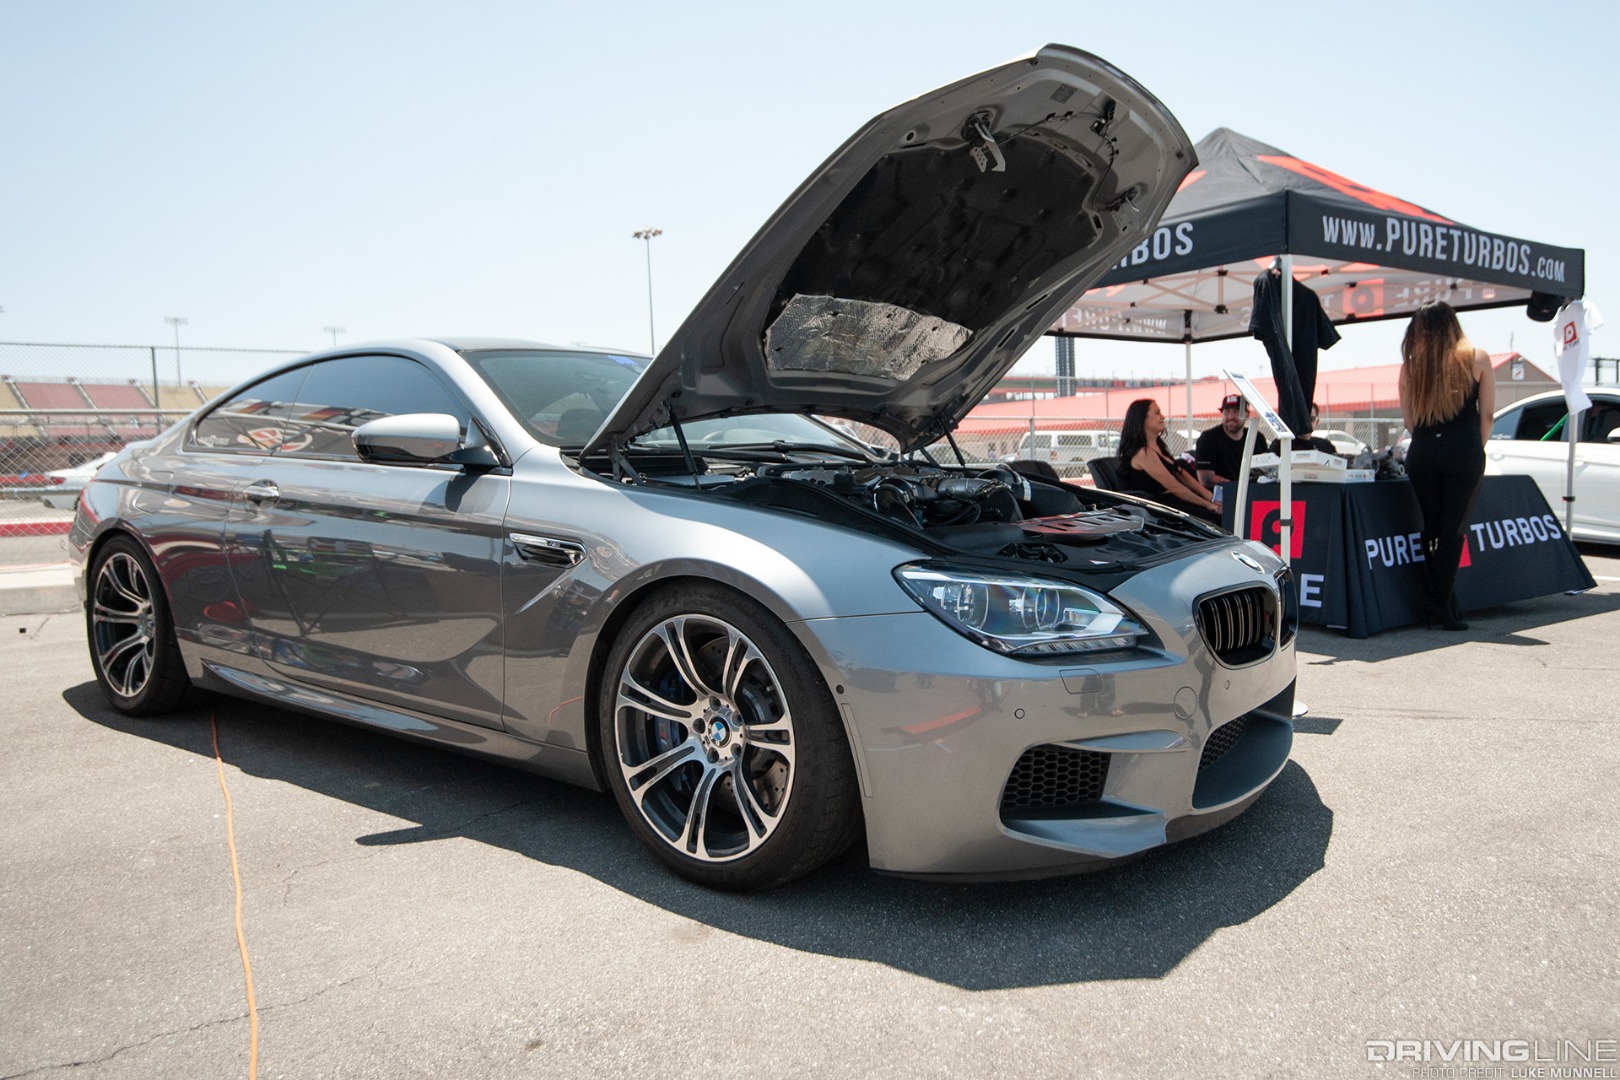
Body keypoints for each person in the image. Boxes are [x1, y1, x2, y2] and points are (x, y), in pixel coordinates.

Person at [1398, 300, 1495, 631]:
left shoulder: (1411, 366)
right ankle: (1440, 604)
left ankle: (1438, 600)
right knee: (1453, 531)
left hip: (1423, 451)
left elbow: (1410, 421)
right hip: (1463, 451)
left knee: (1430, 529)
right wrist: (1472, 448)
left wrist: (1431, 442)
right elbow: (1487, 416)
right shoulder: (1477, 358)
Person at [1116, 399, 1222, 524]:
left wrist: (1210, 497)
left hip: (1172, 501)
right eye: (1157, 413)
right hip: (1159, 507)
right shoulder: (1143, 453)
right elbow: (1175, 487)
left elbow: (1181, 474)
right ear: (1142, 419)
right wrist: (1208, 505)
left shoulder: (1158, 447)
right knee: (1216, 519)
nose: (1162, 417)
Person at [1195, 393, 1250, 488]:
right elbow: (1206, 479)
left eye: (1236, 412)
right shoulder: (1208, 438)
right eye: (1226, 412)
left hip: (1253, 491)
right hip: (1220, 494)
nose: (1230, 416)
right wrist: (1238, 488)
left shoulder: (1257, 438)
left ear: (1247, 414)